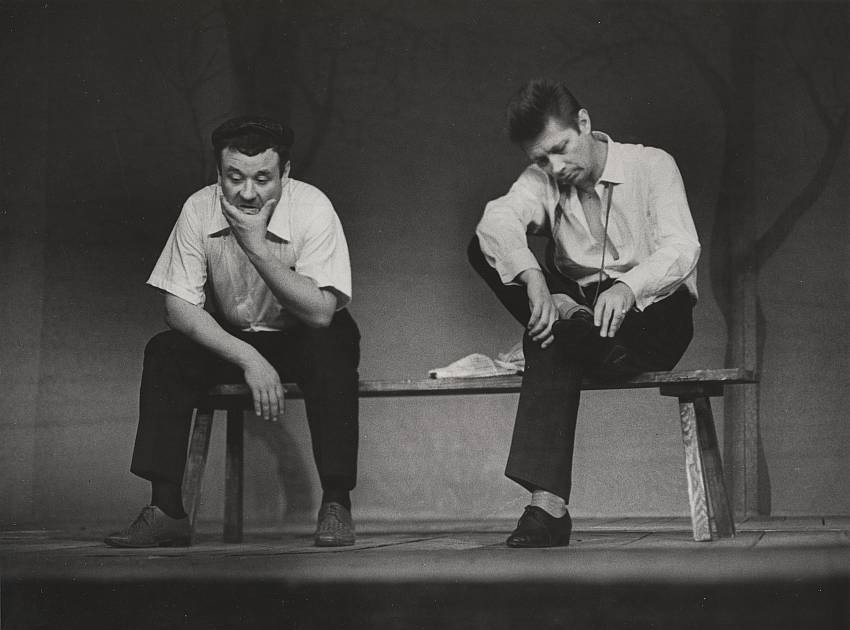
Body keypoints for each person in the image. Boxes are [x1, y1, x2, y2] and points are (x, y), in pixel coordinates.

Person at [105, 116, 360, 548]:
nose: (247, 192)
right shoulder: (198, 207)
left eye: (262, 179)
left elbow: (320, 311)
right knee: (166, 351)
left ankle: (336, 504)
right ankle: (166, 510)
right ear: (218, 172)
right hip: (236, 338)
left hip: (304, 334)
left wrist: (256, 247)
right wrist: (248, 358)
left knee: (333, 343)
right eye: (234, 177)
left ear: (285, 173)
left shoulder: (313, 206)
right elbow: (177, 308)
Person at [468, 79, 700, 548]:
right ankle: (548, 506)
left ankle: (547, 510)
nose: (554, 167)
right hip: (581, 311)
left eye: (560, 149)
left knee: (551, 339)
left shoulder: (652, 164)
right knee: (484, 249)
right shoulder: (544, 179)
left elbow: (682, 247)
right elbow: (496, 221)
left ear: (584, 123)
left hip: (653, 316)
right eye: (540, 160)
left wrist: (629, 288)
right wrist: (533, 278)